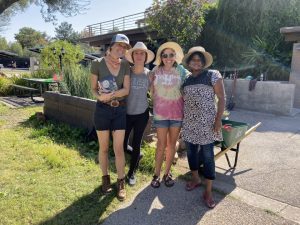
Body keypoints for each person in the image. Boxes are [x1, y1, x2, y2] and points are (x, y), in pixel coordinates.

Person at [181, 46, 225, 208]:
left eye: (199, 59)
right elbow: (184, 101)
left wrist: (218, 120)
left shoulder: (213, 75)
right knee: (191, 153)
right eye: (193, 59)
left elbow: (221, 98)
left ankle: (208, 191)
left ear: (204, 62)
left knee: (207, 157)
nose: (196, 62)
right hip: (190, 124)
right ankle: (195, 179)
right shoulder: (186, 80)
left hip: (207, 124)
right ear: (189, 62)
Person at [90, 34, 131, 201]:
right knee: (104, 148)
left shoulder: (125, 65)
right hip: (102, 110)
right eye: (119, 46)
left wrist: (112, 94)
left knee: (119, 149)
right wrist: (99, 97)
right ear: (111, 46)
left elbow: (126, 90)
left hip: (119, 110)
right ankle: (105, 178)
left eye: (124, 47)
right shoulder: (97, 64)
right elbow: (93, 88)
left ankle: (121, 182)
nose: (121, 49)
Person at [150, 41, 190, 188]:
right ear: (161, 57)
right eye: (165, 55)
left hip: (176, 115)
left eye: (171, 55)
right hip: (161, 114)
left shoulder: (181, 70)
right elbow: (149, 87)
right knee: (161, 145)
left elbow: (193, 81)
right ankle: (156, 174)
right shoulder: (155, 70)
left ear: (175, 56)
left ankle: (167, 173)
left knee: (172, 145)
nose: (168, 58)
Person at [123, 42, 155, 186]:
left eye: (142, 53)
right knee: (122, 145)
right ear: (133, 55)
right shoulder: (126, 71)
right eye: (136, 53)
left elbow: (153, 95)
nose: (139, 55)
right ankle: (138, 156)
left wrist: (154, 86)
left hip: (142, 114)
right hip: (125, 113)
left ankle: (131, 173)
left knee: (136, 143)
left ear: (145, 56)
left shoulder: (150, 75)